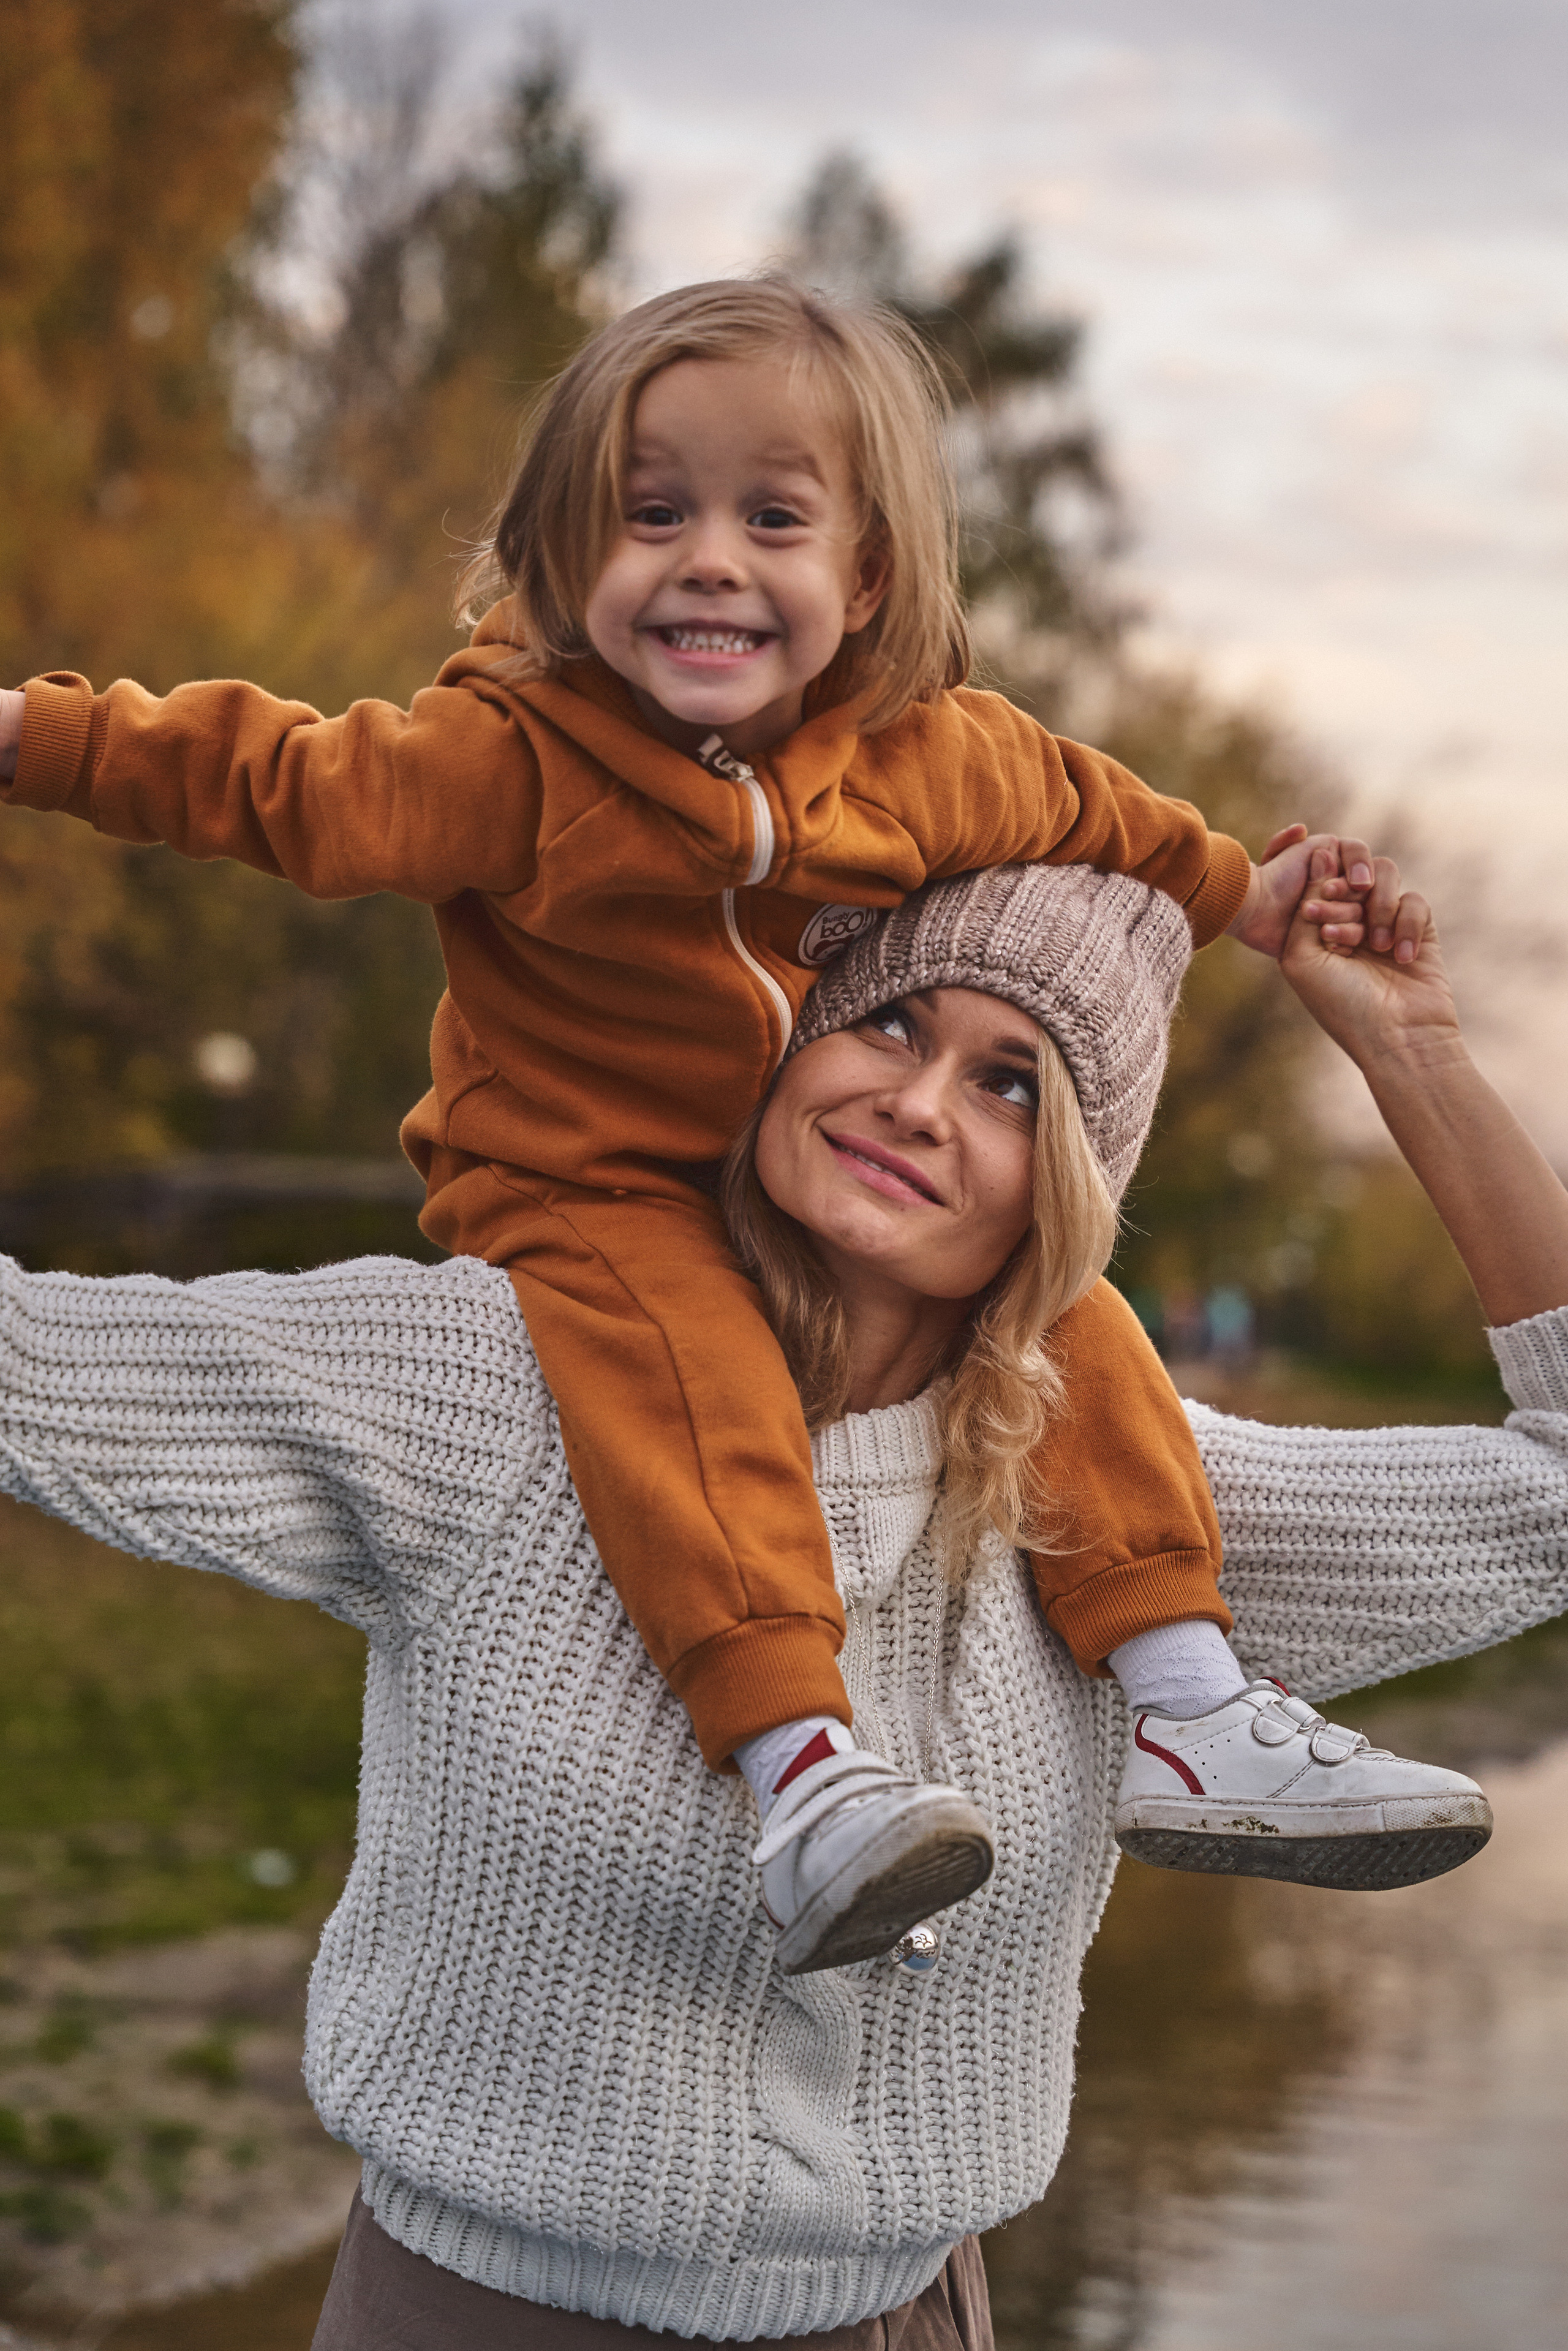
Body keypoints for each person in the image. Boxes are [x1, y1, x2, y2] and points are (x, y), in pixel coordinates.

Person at [0, 276, 1420, 1971]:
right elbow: (276, 775)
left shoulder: (931, 757)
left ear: (863, 574)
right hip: (582, 1177)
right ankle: (803, 1769)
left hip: (788, 1157)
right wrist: (32, 736)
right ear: (562, 553)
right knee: (691, 1375)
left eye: (773, 516)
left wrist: (1241, 893)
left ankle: (1190, 1696)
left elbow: (1095, 809)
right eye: (651, 512)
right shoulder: (508, 760)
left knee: (1064, 1319)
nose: (711, 558)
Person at [0, 858, 1560, 2350]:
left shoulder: (1126, 1507)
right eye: (886, 1020)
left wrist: (1410, 1046)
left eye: (1008, 1082)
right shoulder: (492, 1381)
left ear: (1067, 1182)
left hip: (917, 2319)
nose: (917, 1102)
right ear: (786, 1042)